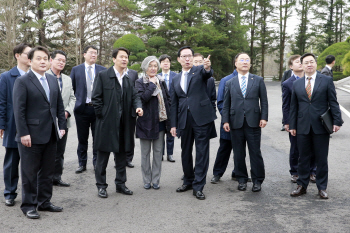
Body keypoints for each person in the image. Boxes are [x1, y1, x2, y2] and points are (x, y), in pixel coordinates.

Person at [13, 46, 66, 219]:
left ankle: (44, 202)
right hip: (30, 136)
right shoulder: (23, 81)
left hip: (51, 133)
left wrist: (62, 126)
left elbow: (58, 106)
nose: (42, 61)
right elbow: (18, 110)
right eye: (38, 58)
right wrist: (23, 133)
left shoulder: (52, 80)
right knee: (29, 173)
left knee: (47, 171)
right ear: (30, 61)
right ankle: (29, 205)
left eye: (45, 58)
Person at [289, 53, 342, 199]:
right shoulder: (297, 83)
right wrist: (292, 125)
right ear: (302, 65)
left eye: (311, 62)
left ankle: (322, 187)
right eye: (306, 62)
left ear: (315, 63)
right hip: (302, 126)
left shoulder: (326, 80)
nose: (309, 64)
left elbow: (333, 102)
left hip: (321, 126)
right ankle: (302, 186)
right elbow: (293, 107)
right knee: (303, 158)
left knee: (321, 158)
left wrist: (337, 121)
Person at [92, 47, 143, 198]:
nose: (124, 59)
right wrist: (102, 115)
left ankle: (121, 184)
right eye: (121, 57)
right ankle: (101, 186)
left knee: (121, 157)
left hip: (124, 124)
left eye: (126, 57)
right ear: (114, 59)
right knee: (102, 158)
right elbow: (96, 98)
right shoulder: (103, 76)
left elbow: (135, 97)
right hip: (106, 124)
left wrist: (138, 107)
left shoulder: (128, 79)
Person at [170, 46, 216, 200]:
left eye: (190, 56)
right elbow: (173, 103)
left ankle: (198, 186)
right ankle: (188, 180)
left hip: (201, 118)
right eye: (184, 56)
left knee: (202, 152)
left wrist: (207, 67)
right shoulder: (175, 79)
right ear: (179, 59)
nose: (188, 59)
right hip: (184, 119)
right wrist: (173, 124)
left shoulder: (199, 72)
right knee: (185, 151)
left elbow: (207, 73)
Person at [222, 52, 268, 192]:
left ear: (250, 64)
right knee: (238, 153)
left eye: (247, 60)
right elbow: (226, 104)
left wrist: (264, 117)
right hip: (235, 122)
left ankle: (257, 180)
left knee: (255, 152)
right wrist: (225, 121)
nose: (245, 62)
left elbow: (264, 101)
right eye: (241, 60)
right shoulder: (230, 83)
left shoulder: (258, 80)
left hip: (254, 122)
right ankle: (241, 179)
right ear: (235, 63)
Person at [0, 43, 31, 207]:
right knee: (12, 161)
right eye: (28, 53)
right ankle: (10, 193)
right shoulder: (6, 77)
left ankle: (31, 193)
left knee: (31, 162)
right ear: (17, 56)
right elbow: (2, 103)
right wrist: (2, 124)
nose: (31, 56)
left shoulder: (35, 75)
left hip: (33, 125)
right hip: (13, 125)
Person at [136, 56, 171, 190]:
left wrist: (170, 121)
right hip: (145, 123)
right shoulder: (140, 82)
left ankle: (156, 180)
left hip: (160, 122)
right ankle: (146, 180)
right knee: (145, 153)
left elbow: (168, 101)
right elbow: (143, 98)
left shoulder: (161, 81)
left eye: (155, 66)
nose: (153, 68)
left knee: (158, 153)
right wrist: (151, 84)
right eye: (150, 66)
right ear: (145, 67)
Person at [70, 45, 106, 173]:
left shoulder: (102, 70)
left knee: (98, 138)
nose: (94, 55)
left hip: (97, 110)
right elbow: (71, 89)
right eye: (91, 53)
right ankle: (82, 163)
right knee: (82, 138)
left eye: (96, 53)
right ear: (84, 54)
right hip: (82, 109)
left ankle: (97, 163)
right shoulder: (76, 70)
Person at [282, 55, 316, 183]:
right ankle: (295, 171)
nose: (300, 64)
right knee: (295, 148)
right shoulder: (287, 84)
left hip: (312, 120)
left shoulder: (313, 80)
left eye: (301, 62)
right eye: (297, 62)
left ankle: (312, 171)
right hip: (296, 121)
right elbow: (285, 105)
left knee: (313, 146)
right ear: (291, 67)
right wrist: (287, 122)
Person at [46, 50, 76, 187]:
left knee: (60, 151)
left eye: (63, 61)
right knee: (47, 151)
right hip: (47, 121)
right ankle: (45, 178)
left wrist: (67, 111)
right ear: (51, 60)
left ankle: (56, 177)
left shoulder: (67, 79)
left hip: (63, 120)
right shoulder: (43, 76)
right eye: (58, 60)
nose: (61, 63)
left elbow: (72, 98)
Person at [210, 69, 240, 184]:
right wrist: (228, 118)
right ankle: (217, 173)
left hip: (243, 122)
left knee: (240, 148)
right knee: (224, 147)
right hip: (229, 121)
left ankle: (238, 173)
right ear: (236, 63)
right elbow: (221, 101)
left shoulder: (250, 79)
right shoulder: (226, 80)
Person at [159, 54, 176, 163]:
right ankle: (160, 153)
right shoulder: (156, 76)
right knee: (160, 132)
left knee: (171, 131)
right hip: (160, 109)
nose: (166, 63)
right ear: (160, 64)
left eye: (168, 61)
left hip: (172, 108)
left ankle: (170, 154)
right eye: (163, 61)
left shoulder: (176, 76)